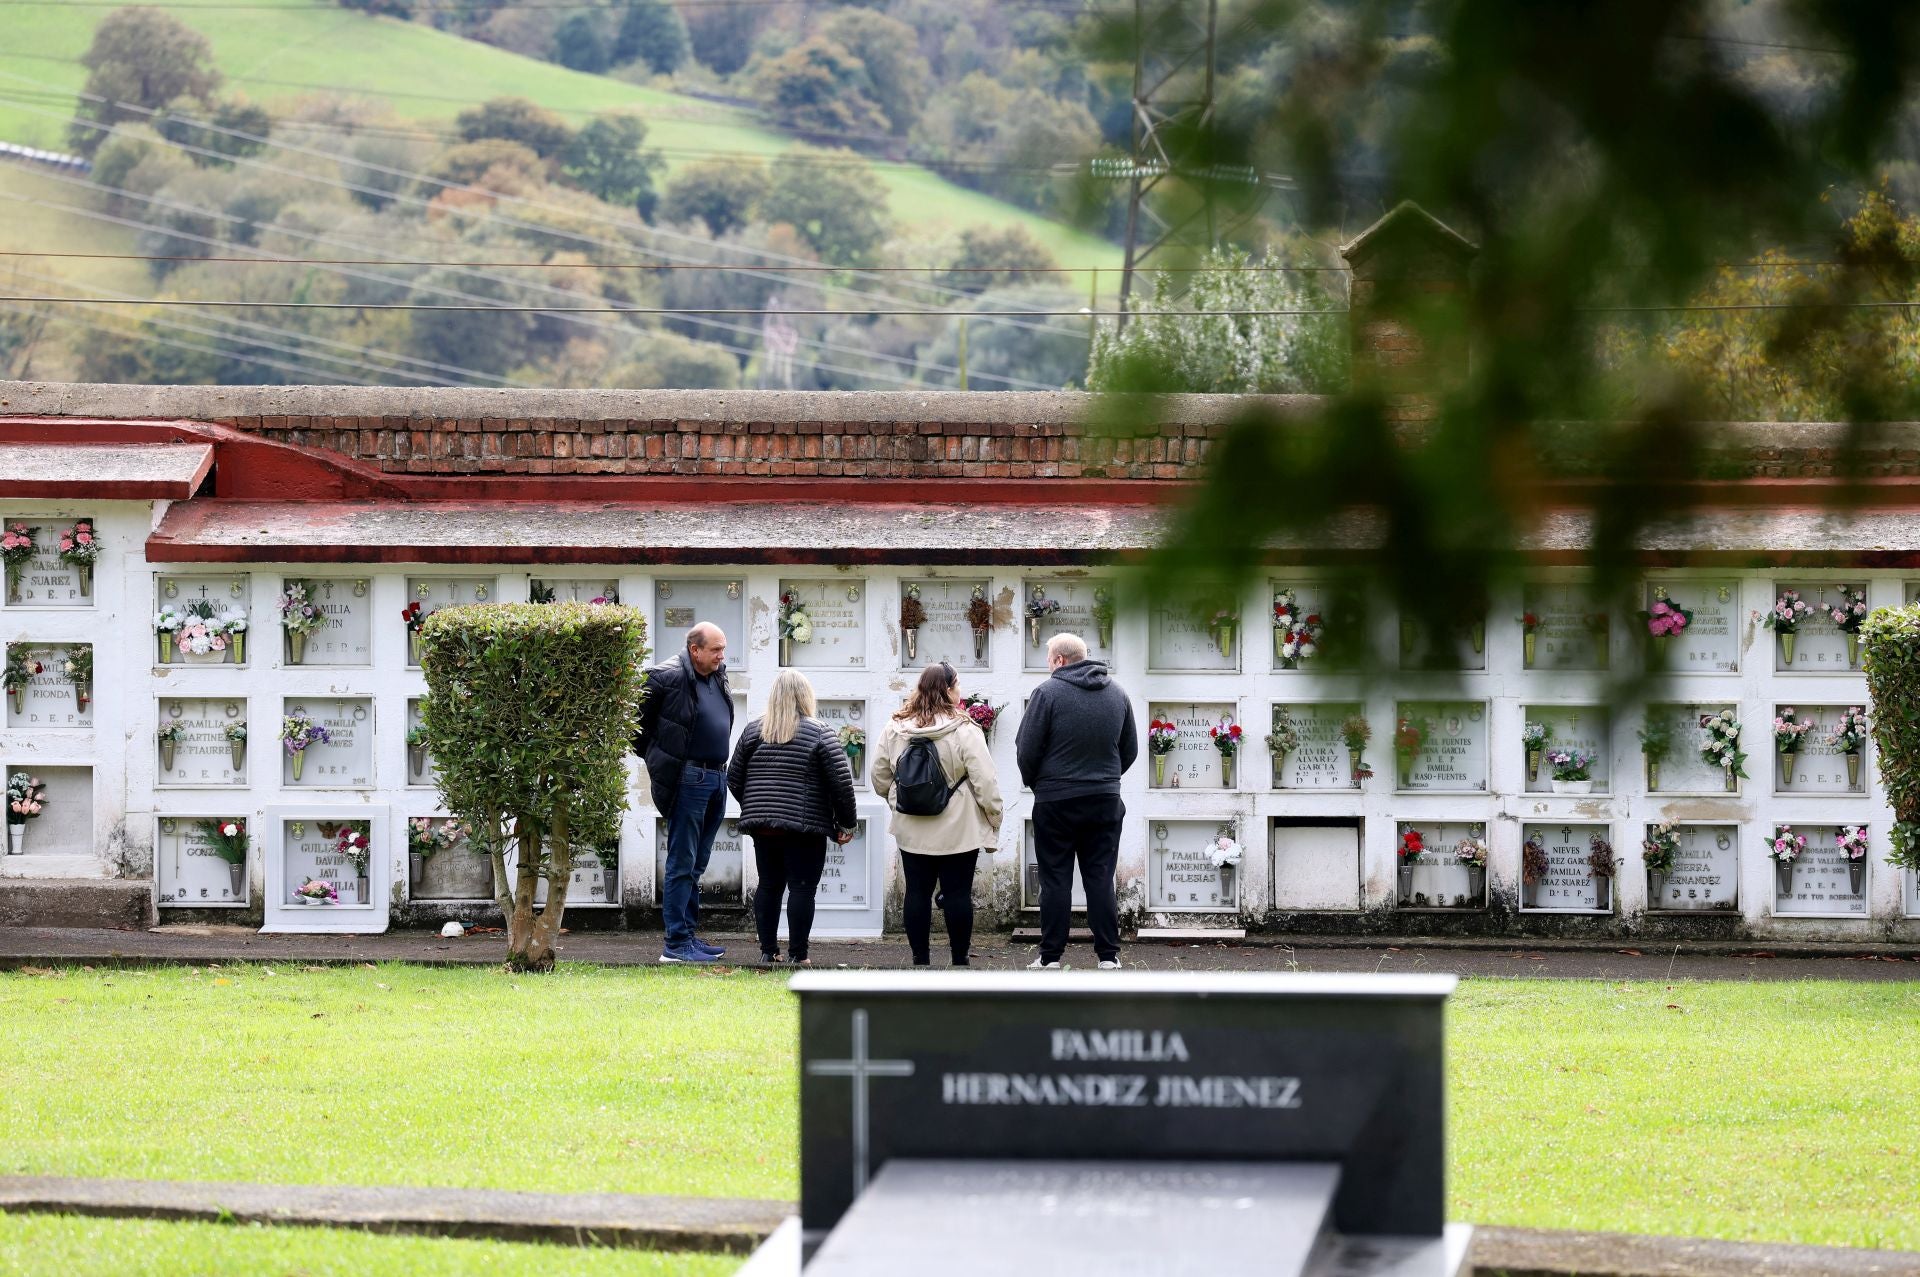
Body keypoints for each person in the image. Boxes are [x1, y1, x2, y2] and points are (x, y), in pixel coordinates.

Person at [1016, 633, 1138, 970]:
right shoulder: (1117, 693)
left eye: (1048, 659)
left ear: (1059, 660)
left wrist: (1038, 784)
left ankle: (1051, 958)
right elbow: (1129, 750)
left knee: (1055, 878)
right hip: (1104, 800)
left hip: (1056, 801)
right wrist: (1105, 779)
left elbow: (1026, 749)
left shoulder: (1047, 693)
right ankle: (1109, 957)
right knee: (1100, 876)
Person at [872, 662, 1002, 967]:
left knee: (916, 893)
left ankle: (920, 960)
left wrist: (899, 802)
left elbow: (879, 776)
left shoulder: (895, 727)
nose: (961, 691)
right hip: (958, 828)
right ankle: (959, 961)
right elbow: (985, 780)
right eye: (957, 685)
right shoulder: (965, 729)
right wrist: (993, 816)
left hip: (912, 827)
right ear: (947, 689)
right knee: (957, 895)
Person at [728, 670, 857, 966]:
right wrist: (845, 823)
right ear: (805, 696)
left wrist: (758, 807)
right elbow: (841, 783)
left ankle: (768, 951)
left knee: (769, 885)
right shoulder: (820, 732)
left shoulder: (752, 731)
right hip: (804, 830)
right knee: (801, 889)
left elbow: (734, 778)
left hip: (764, 830)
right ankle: (798, 955)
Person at [635, 622, 734, 965]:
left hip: (716, 778)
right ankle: (675, 945)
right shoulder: (665, 676)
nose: (722, 655)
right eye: (716, 649)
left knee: (698, 863)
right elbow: (636, 728)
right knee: (682, 862)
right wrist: (662, 760)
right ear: (695, 650)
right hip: (689, 778)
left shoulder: (717, 676)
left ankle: (689, 935)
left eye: (723, 649)